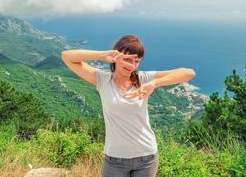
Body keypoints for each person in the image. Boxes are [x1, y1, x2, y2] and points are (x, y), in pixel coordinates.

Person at [61, 35, 196, 177]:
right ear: (116, 57)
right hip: (114, 159)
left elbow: (188, 73)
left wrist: (155, 83)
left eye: (136, 61)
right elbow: (67, 56)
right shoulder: (102, 80)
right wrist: (103, 55)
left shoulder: (143, 78)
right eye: (127, 59)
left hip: (147, 157)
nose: (132, 65)